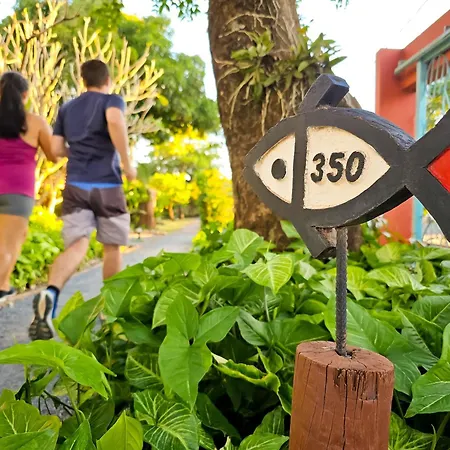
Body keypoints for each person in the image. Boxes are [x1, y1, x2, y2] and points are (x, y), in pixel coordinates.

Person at [28, 59, 136, 340]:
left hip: (76, 185)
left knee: (77, 245)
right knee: (111, 248)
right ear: (107, 80)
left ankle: (50, 294)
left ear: (82, 80)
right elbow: (115, 120)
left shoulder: (68, 108)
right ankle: (109, 313)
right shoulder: (112, 100)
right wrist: (126, 163)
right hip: (108, 185)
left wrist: (76, 151)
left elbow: (55, 148)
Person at [0, 71, 56, 302]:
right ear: (25, 95)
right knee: (8, 246)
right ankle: (1, 287)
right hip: (17, 192)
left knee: (15, 240)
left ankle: (4, 286)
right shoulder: (35, 123)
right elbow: (54, 154)